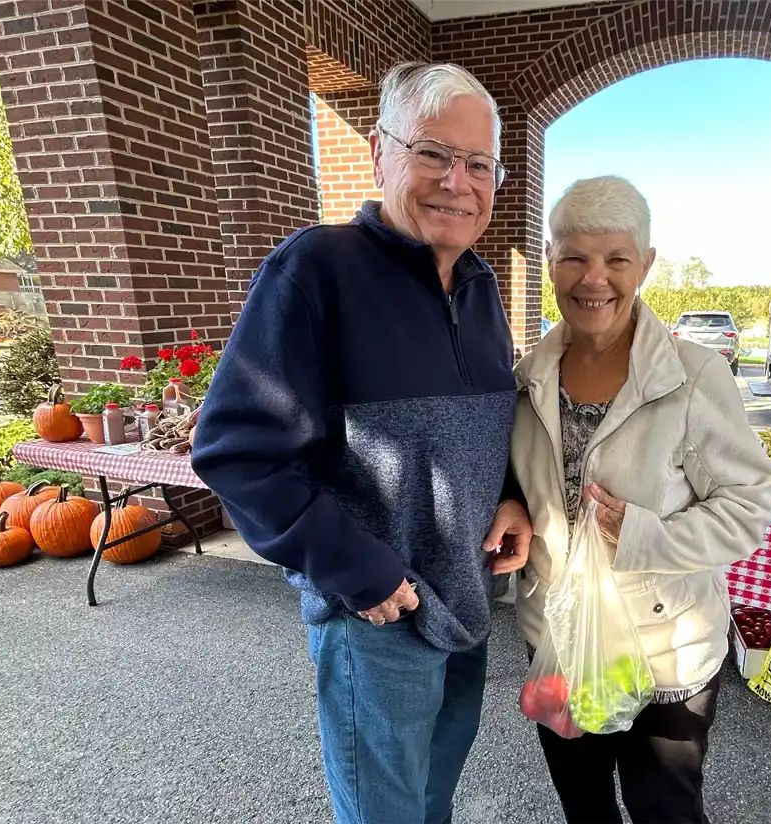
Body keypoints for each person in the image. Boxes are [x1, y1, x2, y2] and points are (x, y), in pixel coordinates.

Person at [191, 61, 533, 824]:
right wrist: (362, 571)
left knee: (430, 802)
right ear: (380, 152)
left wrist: (508, 491)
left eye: (479, 164)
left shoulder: (479, 289)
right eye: (433, 153)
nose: (457, 180)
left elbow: (484, 427)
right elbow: (236, 450)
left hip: (468, 604)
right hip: (377, 620)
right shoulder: (316, 269)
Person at [509, 176, 771, 824]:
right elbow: (522, 479)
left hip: (668, 651)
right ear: (550, 262)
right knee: (584, 805)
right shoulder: (526, 378)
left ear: (646, 265)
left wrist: (644, 536)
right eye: (574, 255)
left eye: (616, 259)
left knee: (666, 810)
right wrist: (513, 505)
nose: (593, 278)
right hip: (557, 633)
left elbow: (751, 506)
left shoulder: (693, 376)